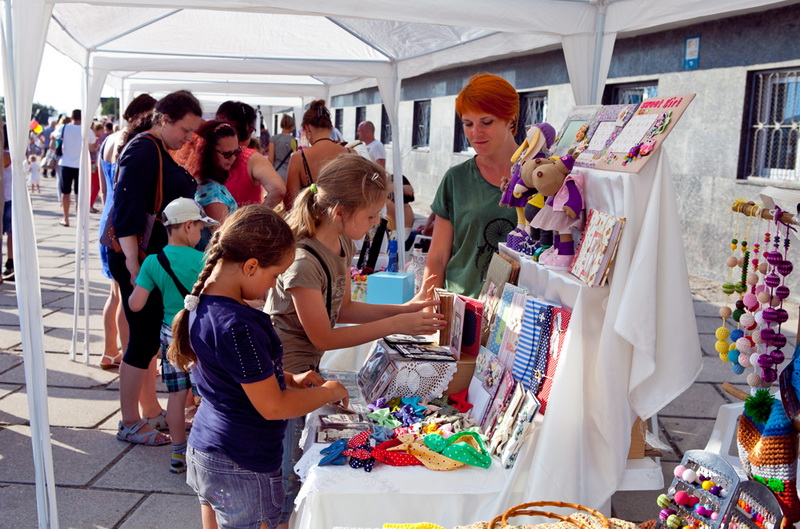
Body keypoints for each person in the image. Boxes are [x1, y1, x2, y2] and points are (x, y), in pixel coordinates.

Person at [266, 154, 444, 525]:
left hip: (307, 370)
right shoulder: (303, 261)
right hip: (284, 375)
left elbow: (344, 309)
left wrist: (402, 310)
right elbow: (324, 335)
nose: (377, 221)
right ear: (340, 212)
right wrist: (398, 323)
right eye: (371, 215)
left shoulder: (342, 243)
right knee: (283, 476)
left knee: (292, 467)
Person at [167, 205, 350, 529]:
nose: (272, 286)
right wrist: (328, 393)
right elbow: (272, 406)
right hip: (242, 460)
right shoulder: (239, 326)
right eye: (274, 276)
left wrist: (290, 378)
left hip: (207, 448)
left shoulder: (203, 304)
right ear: (251, 266)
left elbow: (234, 375)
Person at [111, 90, 202, 447]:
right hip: (141, 259)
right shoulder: (144, 149)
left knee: (148, 339)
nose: (188, 138)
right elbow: (126, 210)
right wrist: (134, 264)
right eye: (185, 129)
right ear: (164, 120)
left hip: (148, 259)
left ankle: (147, 413)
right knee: (143, 339)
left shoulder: (154, 148)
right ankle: (129, 421)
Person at [129, 197, 218, 473]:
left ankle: (178, 453)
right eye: (200, 228)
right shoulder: (203, 260)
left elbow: (135, 304)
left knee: (177, 396)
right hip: (201, 332)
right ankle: (208, 450)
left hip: (171, 335)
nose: (201, 234)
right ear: (188, 226)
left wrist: (137, 280)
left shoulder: (153, 262)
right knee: (209, 395)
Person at [423, 73, 519, 298]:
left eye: (487, 122)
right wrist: (428, 305)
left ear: (511, 119)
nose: (476, 133)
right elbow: (437, 257)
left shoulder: (543, 175)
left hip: (525, 310)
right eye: (468, 124)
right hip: (463, 306)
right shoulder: (456, 179)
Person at [98, 93, 157, 370]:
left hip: (108, 221)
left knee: (114, 293)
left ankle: (110, 350)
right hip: (124, 225)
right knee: (126, 294)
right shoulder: (135, 142)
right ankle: (128, 353)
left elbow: (104, 190)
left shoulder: (108, 140)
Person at [215, 101, 285, 208]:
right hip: (242, 217)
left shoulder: (205, 151)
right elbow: (279, 189)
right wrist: (259, 213)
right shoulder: (250, 157)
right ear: (248, 128)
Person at [182, 120, 239, 249]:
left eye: (236, 152)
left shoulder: (200, 180)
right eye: (227, 153)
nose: (233, 158)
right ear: (207, 152)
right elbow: (223, 243)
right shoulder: (214, 196)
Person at [283, 100, 350, 210]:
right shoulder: (351, 153)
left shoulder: (299, 158)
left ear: (307, 128)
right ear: (330, 128)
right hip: (345, 218)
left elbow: (290, 204)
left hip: (313, 219)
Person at [53, 109, 95, 226]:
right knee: (79, 194)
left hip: (65, 163)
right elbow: (92, 145)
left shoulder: (64, 127)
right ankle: (79, 220)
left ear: (72, 117)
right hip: (81, 165)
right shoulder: (87, 130)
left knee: (65, 192)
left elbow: (53, 136)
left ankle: (66, 218)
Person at [269, 114, 295, 182]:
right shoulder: (294, 140)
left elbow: (270, 160)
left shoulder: (274, 139)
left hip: (277, 172)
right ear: (292, 126)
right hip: (290, 173)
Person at [2, 127, 12, 283]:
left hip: (6, 198)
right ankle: (11, 262)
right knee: (11, 233)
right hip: (9, 197)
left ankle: (11, 262)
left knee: (10, 233)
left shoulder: (6, 155)